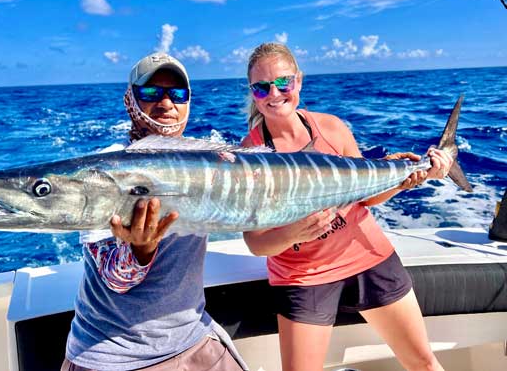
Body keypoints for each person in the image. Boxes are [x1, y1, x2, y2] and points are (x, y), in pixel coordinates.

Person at [240, 42, 452, 371]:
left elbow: (364, 197)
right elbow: (255, 242)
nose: (274, 93)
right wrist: (293, 233)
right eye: (261, 87)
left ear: (298, 81)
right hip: (303, 276)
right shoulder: (249, 154)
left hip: (368, 257)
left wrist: (405, 179)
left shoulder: (332, 128)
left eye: (283, 82)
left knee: (424, 363)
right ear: (252, 92)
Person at [63, 53, 247, 371]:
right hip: (116, 357)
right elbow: (116, 279)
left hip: (195, 337)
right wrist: (140, 250)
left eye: (177, 94)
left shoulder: (211, 162)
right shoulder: (103, 172)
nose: (166, 103)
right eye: (151, 93)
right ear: (129, 100)